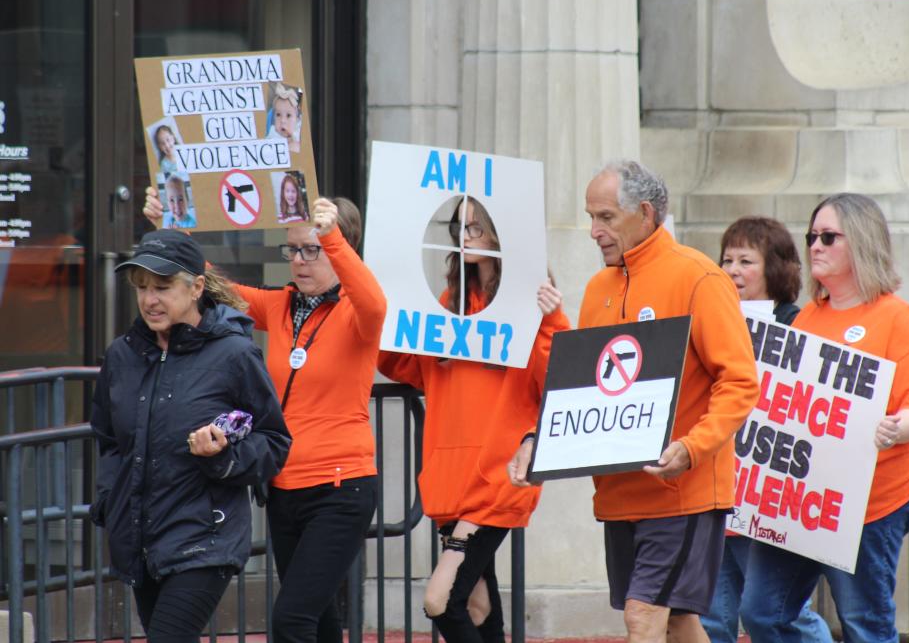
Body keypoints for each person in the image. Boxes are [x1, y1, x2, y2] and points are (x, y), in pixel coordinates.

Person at [508, 160, 759, 643]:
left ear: (645, 213)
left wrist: (692, 447)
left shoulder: (699, 277)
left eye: (605, 217)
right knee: (679, 623)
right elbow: (580, 389)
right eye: (591, 217)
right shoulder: (599, 288)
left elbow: (740, 382)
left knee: (643, 619)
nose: (592, 231)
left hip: (681, 492)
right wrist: (535, 440)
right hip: (620, 494)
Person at [144, 187, 385, 643]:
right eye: (292, 249)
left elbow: (374, 301)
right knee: (320, 621)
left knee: (292, 621)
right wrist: (170, 230)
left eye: (311, 249)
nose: (298, 260)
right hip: (283, 487)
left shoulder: (359, 312)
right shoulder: (281, 305)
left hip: (340, 487)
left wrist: (331, 236)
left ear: (340, 249)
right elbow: (214, 289)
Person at [739, 193, 909, 643]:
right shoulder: (809, 317)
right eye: (812, 236)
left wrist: (896, 428)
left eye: (829, 237)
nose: (815, 245)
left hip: (874, 499)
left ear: (861, 243)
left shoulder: (898, 318)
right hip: (802, 496)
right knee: (761, 611)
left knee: (863, 623)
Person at [378, 195, 569, 643]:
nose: (464, 238)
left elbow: (556, 380)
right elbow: (407, 366)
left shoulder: (533, 302)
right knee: (479, 606)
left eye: (475, 228)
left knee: (440, 600)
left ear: (503, 236)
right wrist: (388, 314)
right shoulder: (451, 300)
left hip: (498, 474)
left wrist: (550, 319)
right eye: (459, 229)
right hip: (452, 477)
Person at [90, 229, 291, 642]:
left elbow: (274, 441)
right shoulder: (122, 355)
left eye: (162, 287)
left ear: (196, 287)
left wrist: (223, 455)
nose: (150, 300)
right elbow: (109, 440)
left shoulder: (234, 353)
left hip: (205, 538)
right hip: (140, 536)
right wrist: (111, 500)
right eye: (141, 288)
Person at [701, 216, 831, 643]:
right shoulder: (711, 322)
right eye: (726, 260)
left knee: (774, 615)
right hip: (721, 489)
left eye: (745, 260)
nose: (733, 270)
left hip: (771, 497)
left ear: (774, 268)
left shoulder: (801, 324)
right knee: (713, 620)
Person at [269, 82, 301, 154]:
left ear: (297, 120)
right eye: (278, 115)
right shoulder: (272, 133)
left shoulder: (297, 136)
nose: (282, 120)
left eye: (288, 115)